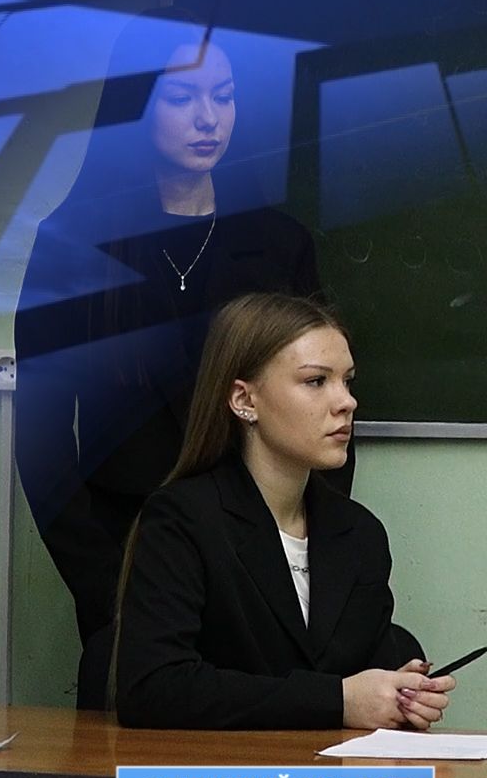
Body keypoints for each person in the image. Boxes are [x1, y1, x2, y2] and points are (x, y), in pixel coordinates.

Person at [15, 9, 337, 709]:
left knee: (269, 758)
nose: (207, 119)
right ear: (136, 104)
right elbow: (42, 446)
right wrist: (110, 589)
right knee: (139, 766)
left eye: (223, 97)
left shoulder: (278, 245)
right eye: (182, 97)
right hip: (130, 568)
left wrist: (310, 569)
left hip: (264, 575)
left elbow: (324, 408)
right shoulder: (72, 246)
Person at [110, 293, 446, 730]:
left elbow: (366, 674)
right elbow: (153, 688)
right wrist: (338, 701)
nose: (346, 402)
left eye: (347, 381)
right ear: (244, 400)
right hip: (220, 771)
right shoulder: (182, 520)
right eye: (316, 381)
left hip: (330, 770)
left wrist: (400, 695)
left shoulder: (359, 533)